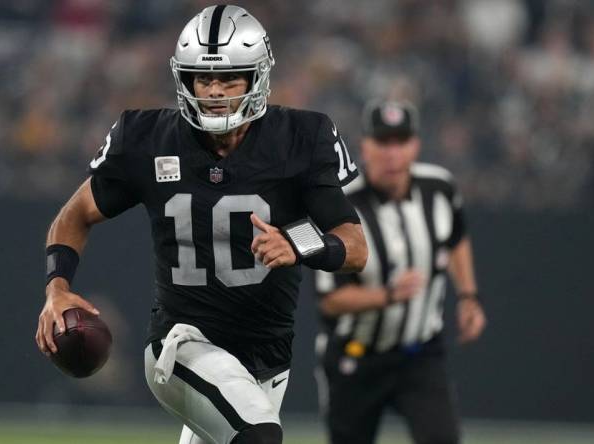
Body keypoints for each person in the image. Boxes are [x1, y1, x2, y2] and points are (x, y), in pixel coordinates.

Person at [34, 5, 367, 444]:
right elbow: (74, 215)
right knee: (259, 436)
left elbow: (354, 245)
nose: (214, 91)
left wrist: (298, 242)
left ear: (257, 77)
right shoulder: (148, 138)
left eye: (229, 78)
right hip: (181, 345)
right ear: (183, 79)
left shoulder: (301, 139)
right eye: (202, 78)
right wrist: (57, 287)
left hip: (267, 359)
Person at [314, 101, 487, 444]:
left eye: (401, 141)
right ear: (364, 147)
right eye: (383, 142)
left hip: (419, 352)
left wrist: (468, 296)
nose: (393, 153)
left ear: (415, 145)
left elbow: (457, 239)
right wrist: (388, 295)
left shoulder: (439, 189)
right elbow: (330, 301)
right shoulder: (343, 205)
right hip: (356, 355)